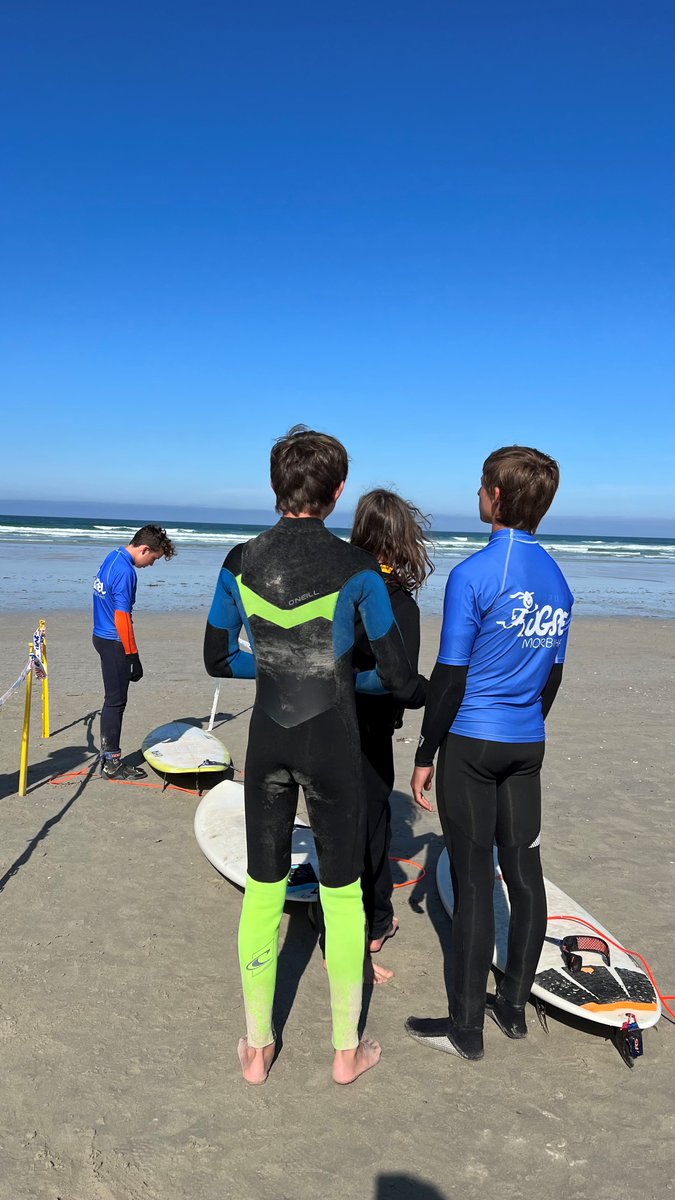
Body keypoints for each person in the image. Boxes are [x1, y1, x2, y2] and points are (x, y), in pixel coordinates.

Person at [203, 428, 417, 1086]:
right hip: (333, 744)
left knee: (263, 895)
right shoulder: (357, 569)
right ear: (338, 490)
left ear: (275, 485)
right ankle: (346, 1052)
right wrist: (335, 673)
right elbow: (399, 677)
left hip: (267, 741)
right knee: (343, 893)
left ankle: (257, 1047)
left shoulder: (239, 561)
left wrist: (277, 663)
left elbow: (217, 657)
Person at [406, 446, 574, 1061]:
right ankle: (513, 1009)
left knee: (474, 882)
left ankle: (466, 1027)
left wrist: (427, 750)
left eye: (482, 487)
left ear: (496, 498)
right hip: (526, 746)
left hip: (473, 747)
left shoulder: (475, 574)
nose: (478, 495)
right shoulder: (558, 581)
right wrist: (524, 725)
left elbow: (449, 676)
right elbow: (551, 678)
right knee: (525, 876)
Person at [350, 489, 432, 982]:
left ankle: (349, 914)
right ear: (404, 540)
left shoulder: (338, 583)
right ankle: (376, 922)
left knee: (338, 825)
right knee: (374, 828)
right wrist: (430, 691)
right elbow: (403, 685)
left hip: (323, 724)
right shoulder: (400, 604)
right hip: (372, 729)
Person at [92, 524, 176, 780]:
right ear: (144, 548)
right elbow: (122, 618)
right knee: (116, 702)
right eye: (153, 558)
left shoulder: (113, 555)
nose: (152, 564)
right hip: (115, 641)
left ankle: (109, 758)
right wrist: (132, 656)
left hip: (100, 636)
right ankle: (112, 763)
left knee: (112, 701)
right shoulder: (126, 572)